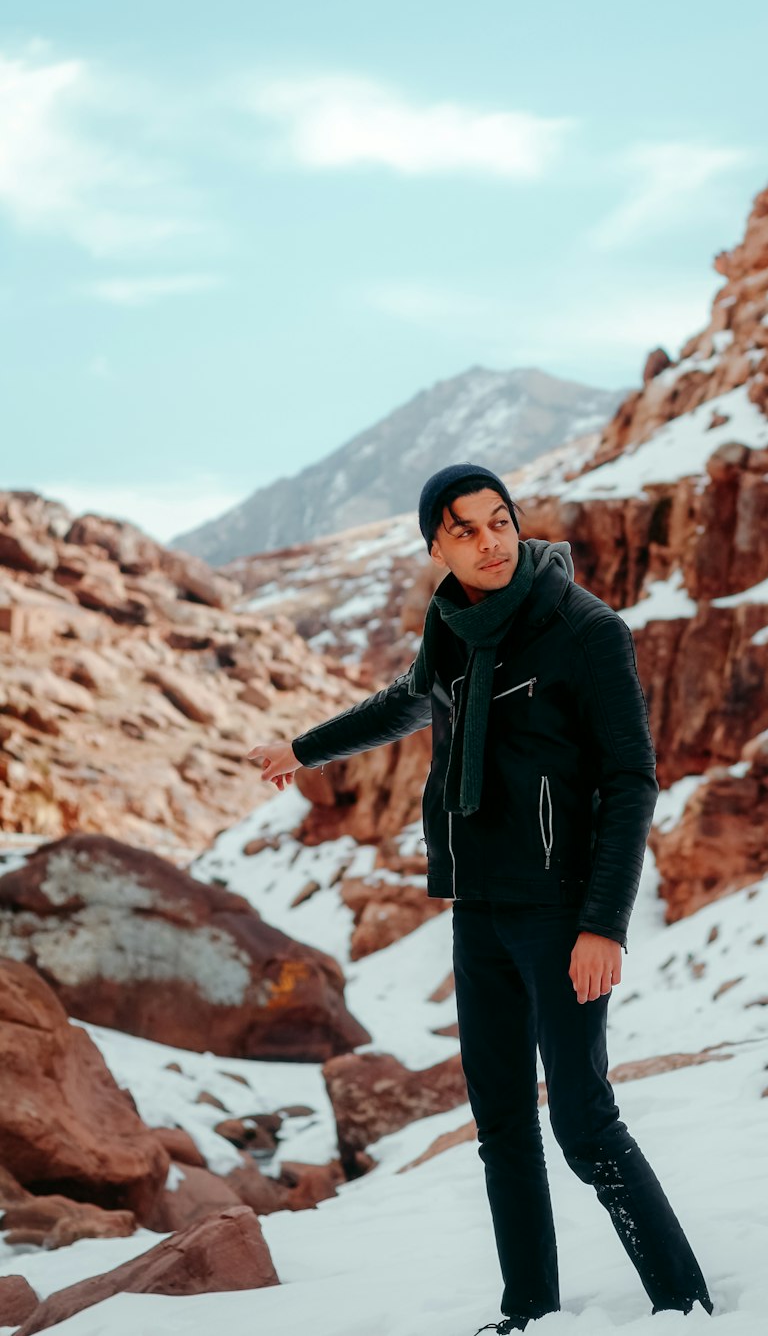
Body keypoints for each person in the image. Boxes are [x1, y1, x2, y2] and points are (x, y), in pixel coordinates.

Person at [248, 462, 713, 1332]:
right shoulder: (454, 627)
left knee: (583, 1124)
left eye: (500, 520)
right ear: (437, 548)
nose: (490, 541)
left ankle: (684, 1305)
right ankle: (528, 1310)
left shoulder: (584, 631)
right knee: (501, 1123)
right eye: (465, 529)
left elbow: (632, 780)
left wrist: (602, 925)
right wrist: (303, 751)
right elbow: (408, 701)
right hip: (480, 912)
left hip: (561, 912)